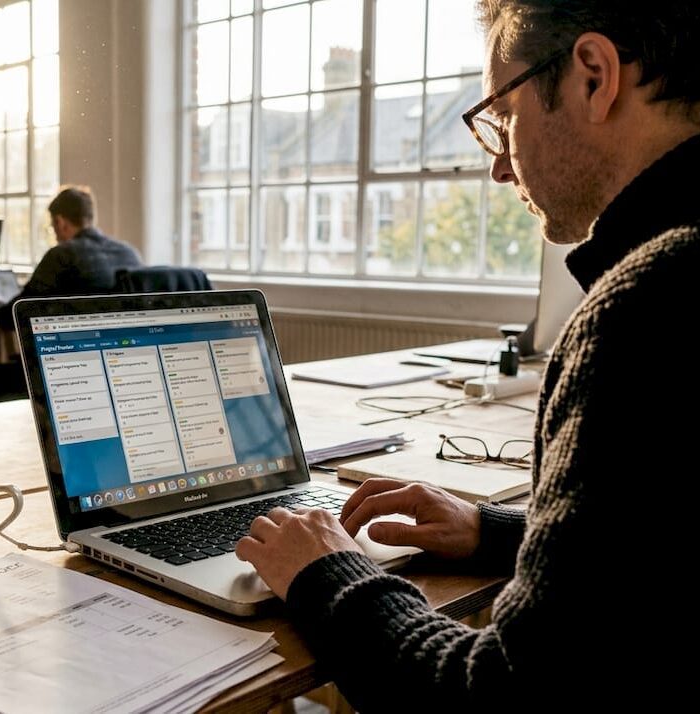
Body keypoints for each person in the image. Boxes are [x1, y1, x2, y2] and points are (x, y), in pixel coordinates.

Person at [235, 2, 699, 711]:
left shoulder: (651, 304)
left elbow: (493, 693)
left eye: (503, 117)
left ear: (592, 75)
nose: (499, 167)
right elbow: (645, 562)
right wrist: (493, 531)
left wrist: (327, 570)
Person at [0, 186, 143, 403]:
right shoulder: (129, 253)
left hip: (69, 372)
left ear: (60, 222)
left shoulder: (61, 256)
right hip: (122, 369)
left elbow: (14, 315)